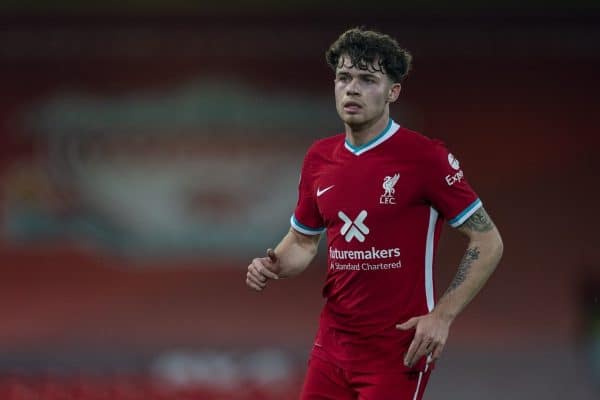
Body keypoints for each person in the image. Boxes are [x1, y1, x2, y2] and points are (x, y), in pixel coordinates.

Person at [246, 27, 503, 400]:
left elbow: (488, 240)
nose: (352, 89)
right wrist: (273, 264)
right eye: (344, 78)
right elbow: (302, 242)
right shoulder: (319, 158)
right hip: (331, 346)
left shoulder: (425, 158)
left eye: (367, 79)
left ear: (392, 92)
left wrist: (443, 315)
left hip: (397, 351)